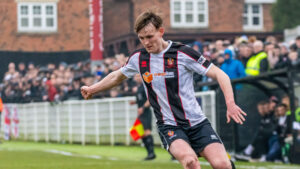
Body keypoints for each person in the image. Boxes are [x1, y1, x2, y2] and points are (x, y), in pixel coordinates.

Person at [81, 10, 246, 169]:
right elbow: (116, 76)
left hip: (197, 123)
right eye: (141, 38)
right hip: (169, 126)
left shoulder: (182, 53)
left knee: (222, 165)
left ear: (161, 31)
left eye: (150, 36)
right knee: (190, 162)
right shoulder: (138, 58)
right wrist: (92, 89)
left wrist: (230, 104)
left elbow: (220, 74)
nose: (146, 42)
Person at [131, 74, 156, 160]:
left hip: (146, 112)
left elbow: (150, 99)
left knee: (146, 132)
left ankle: (151, 153)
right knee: (139, 133)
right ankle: (149, 153)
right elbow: (141, 99)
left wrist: (143, 107)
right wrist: (134, 102)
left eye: (137, 76)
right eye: (135, 76)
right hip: (141, 113)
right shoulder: (139, 88)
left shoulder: (146, 87)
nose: (135, 78)